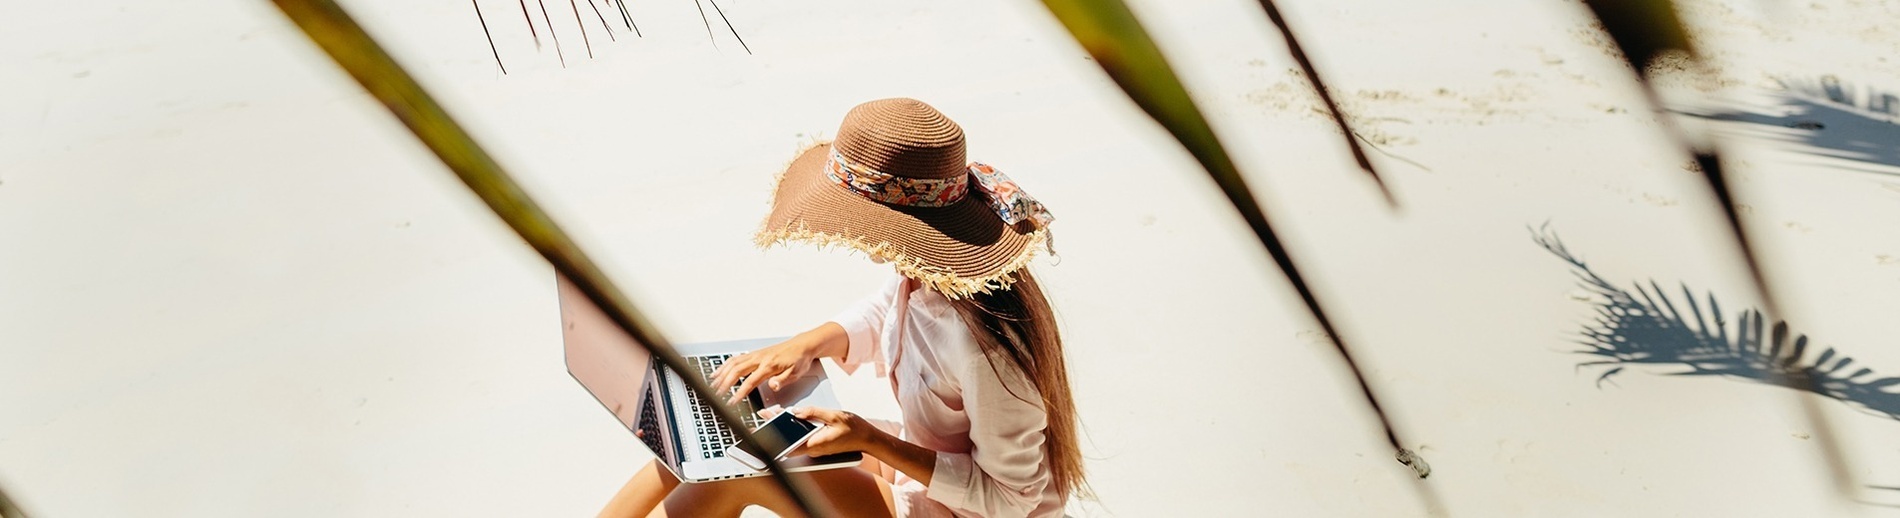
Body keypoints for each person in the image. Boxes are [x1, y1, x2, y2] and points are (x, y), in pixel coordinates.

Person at [598, 98, 1085, 517]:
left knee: (747, 470)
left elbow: (1011, 501)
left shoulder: (985, 348)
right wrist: (805, 345)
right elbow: (887, 316)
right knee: (700, 446)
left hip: (973, 509)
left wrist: (872, 440)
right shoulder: (927, 279)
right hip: (928, 468)